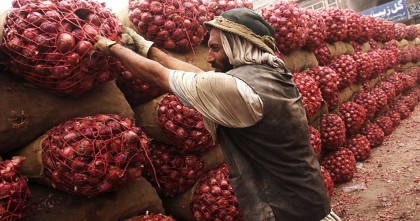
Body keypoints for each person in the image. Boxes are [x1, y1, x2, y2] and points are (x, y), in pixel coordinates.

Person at [94, 8, 341, 221]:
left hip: (284, 213)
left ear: (237, 46)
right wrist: (148, 49)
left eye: (215, 49)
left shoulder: (237, 88)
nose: (209, 57)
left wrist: (112, 48)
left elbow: (161, 77)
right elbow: (200, 77)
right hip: (310, 202)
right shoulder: (273, 74)